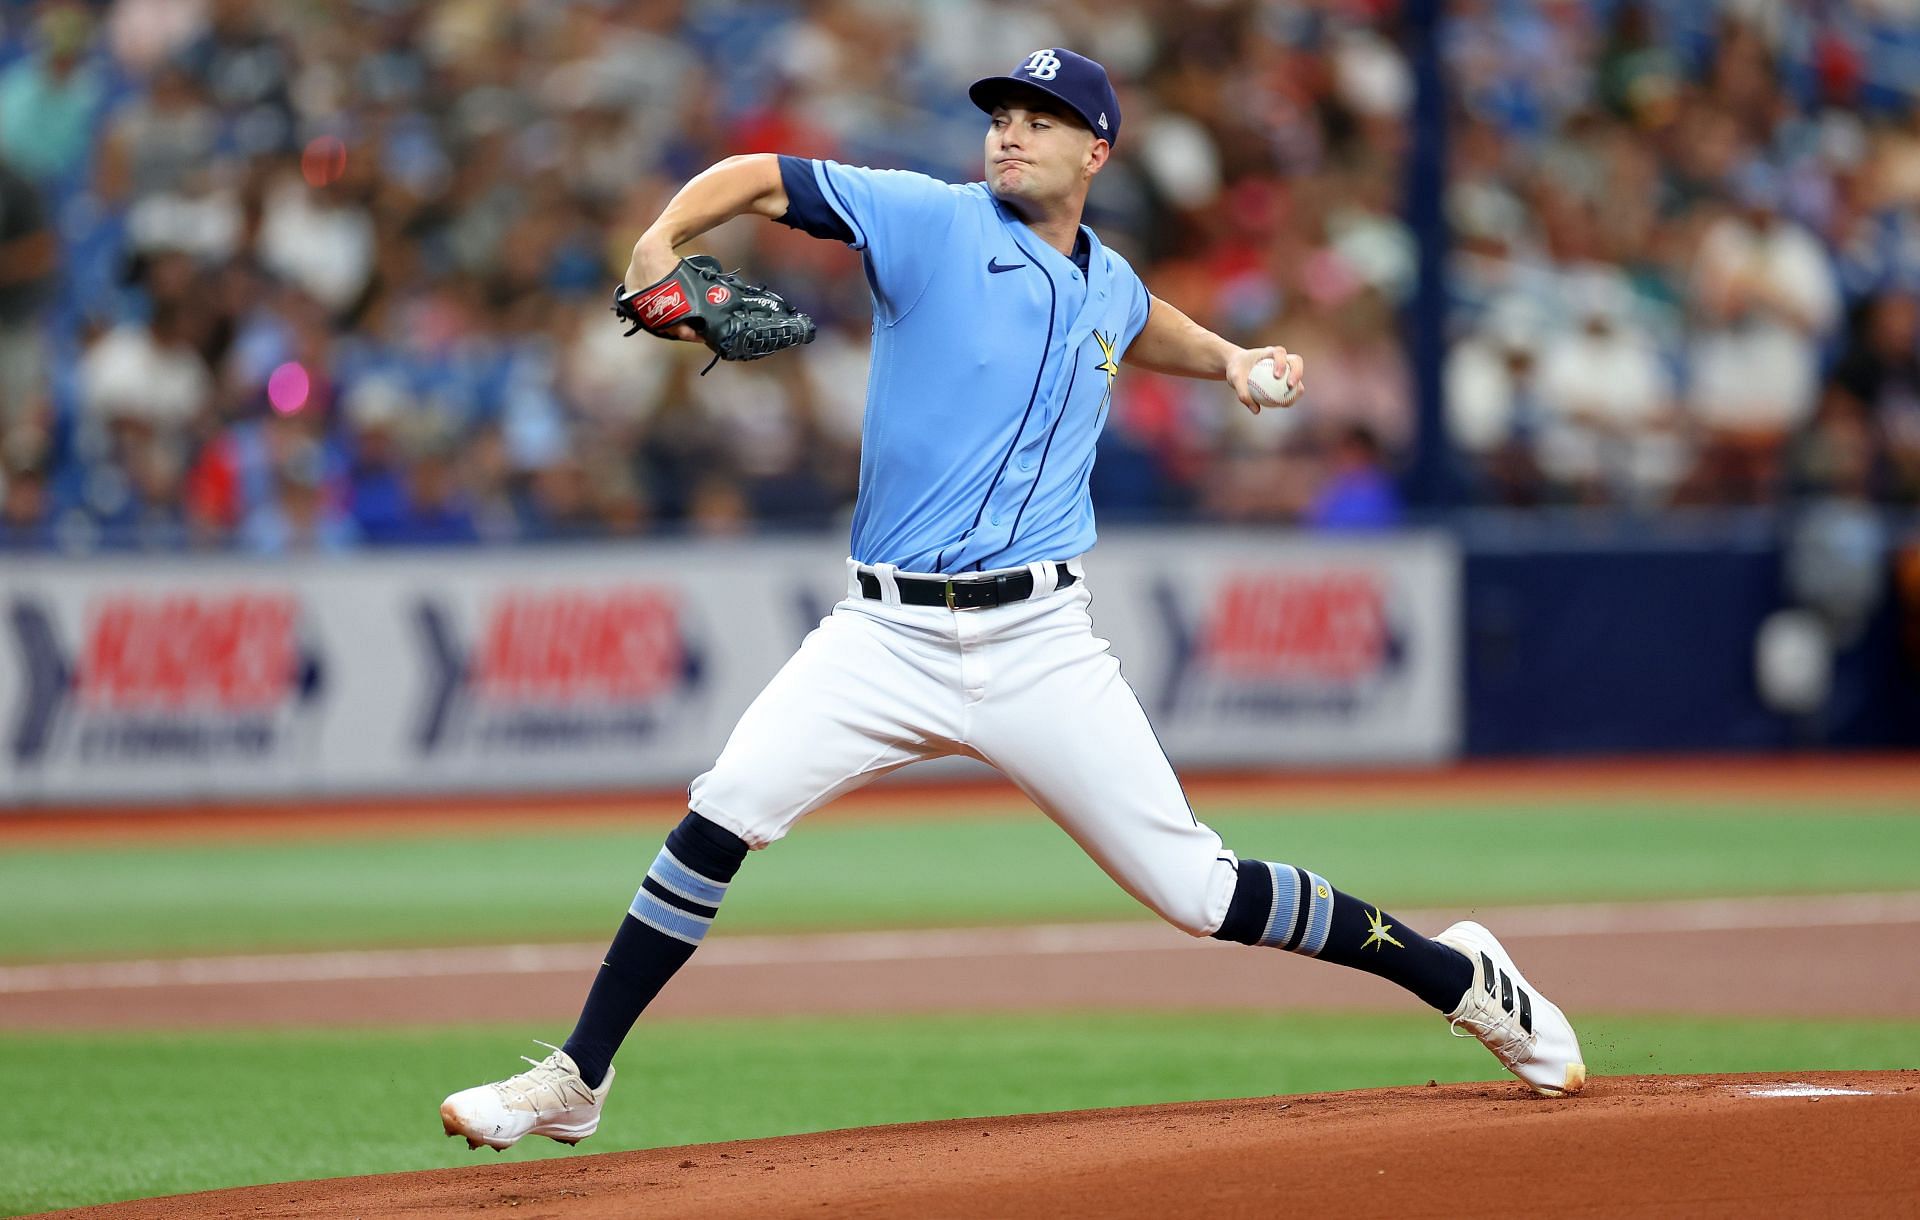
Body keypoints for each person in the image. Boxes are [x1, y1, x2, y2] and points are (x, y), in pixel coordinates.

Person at [440, 48, 1583, 1153]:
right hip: (885, 632)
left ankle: (1460, 975)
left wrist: (1230, 358)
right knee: (724, 804)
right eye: (999, 115)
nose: (1009, 132)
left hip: (1041, 642)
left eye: (1038, 119)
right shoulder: (928, 220)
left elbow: (1138, 322)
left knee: (1198, 890)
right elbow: (759, 176)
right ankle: (577, 1077)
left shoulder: (1110, 276)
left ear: (1097, 148)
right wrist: (659, 237)